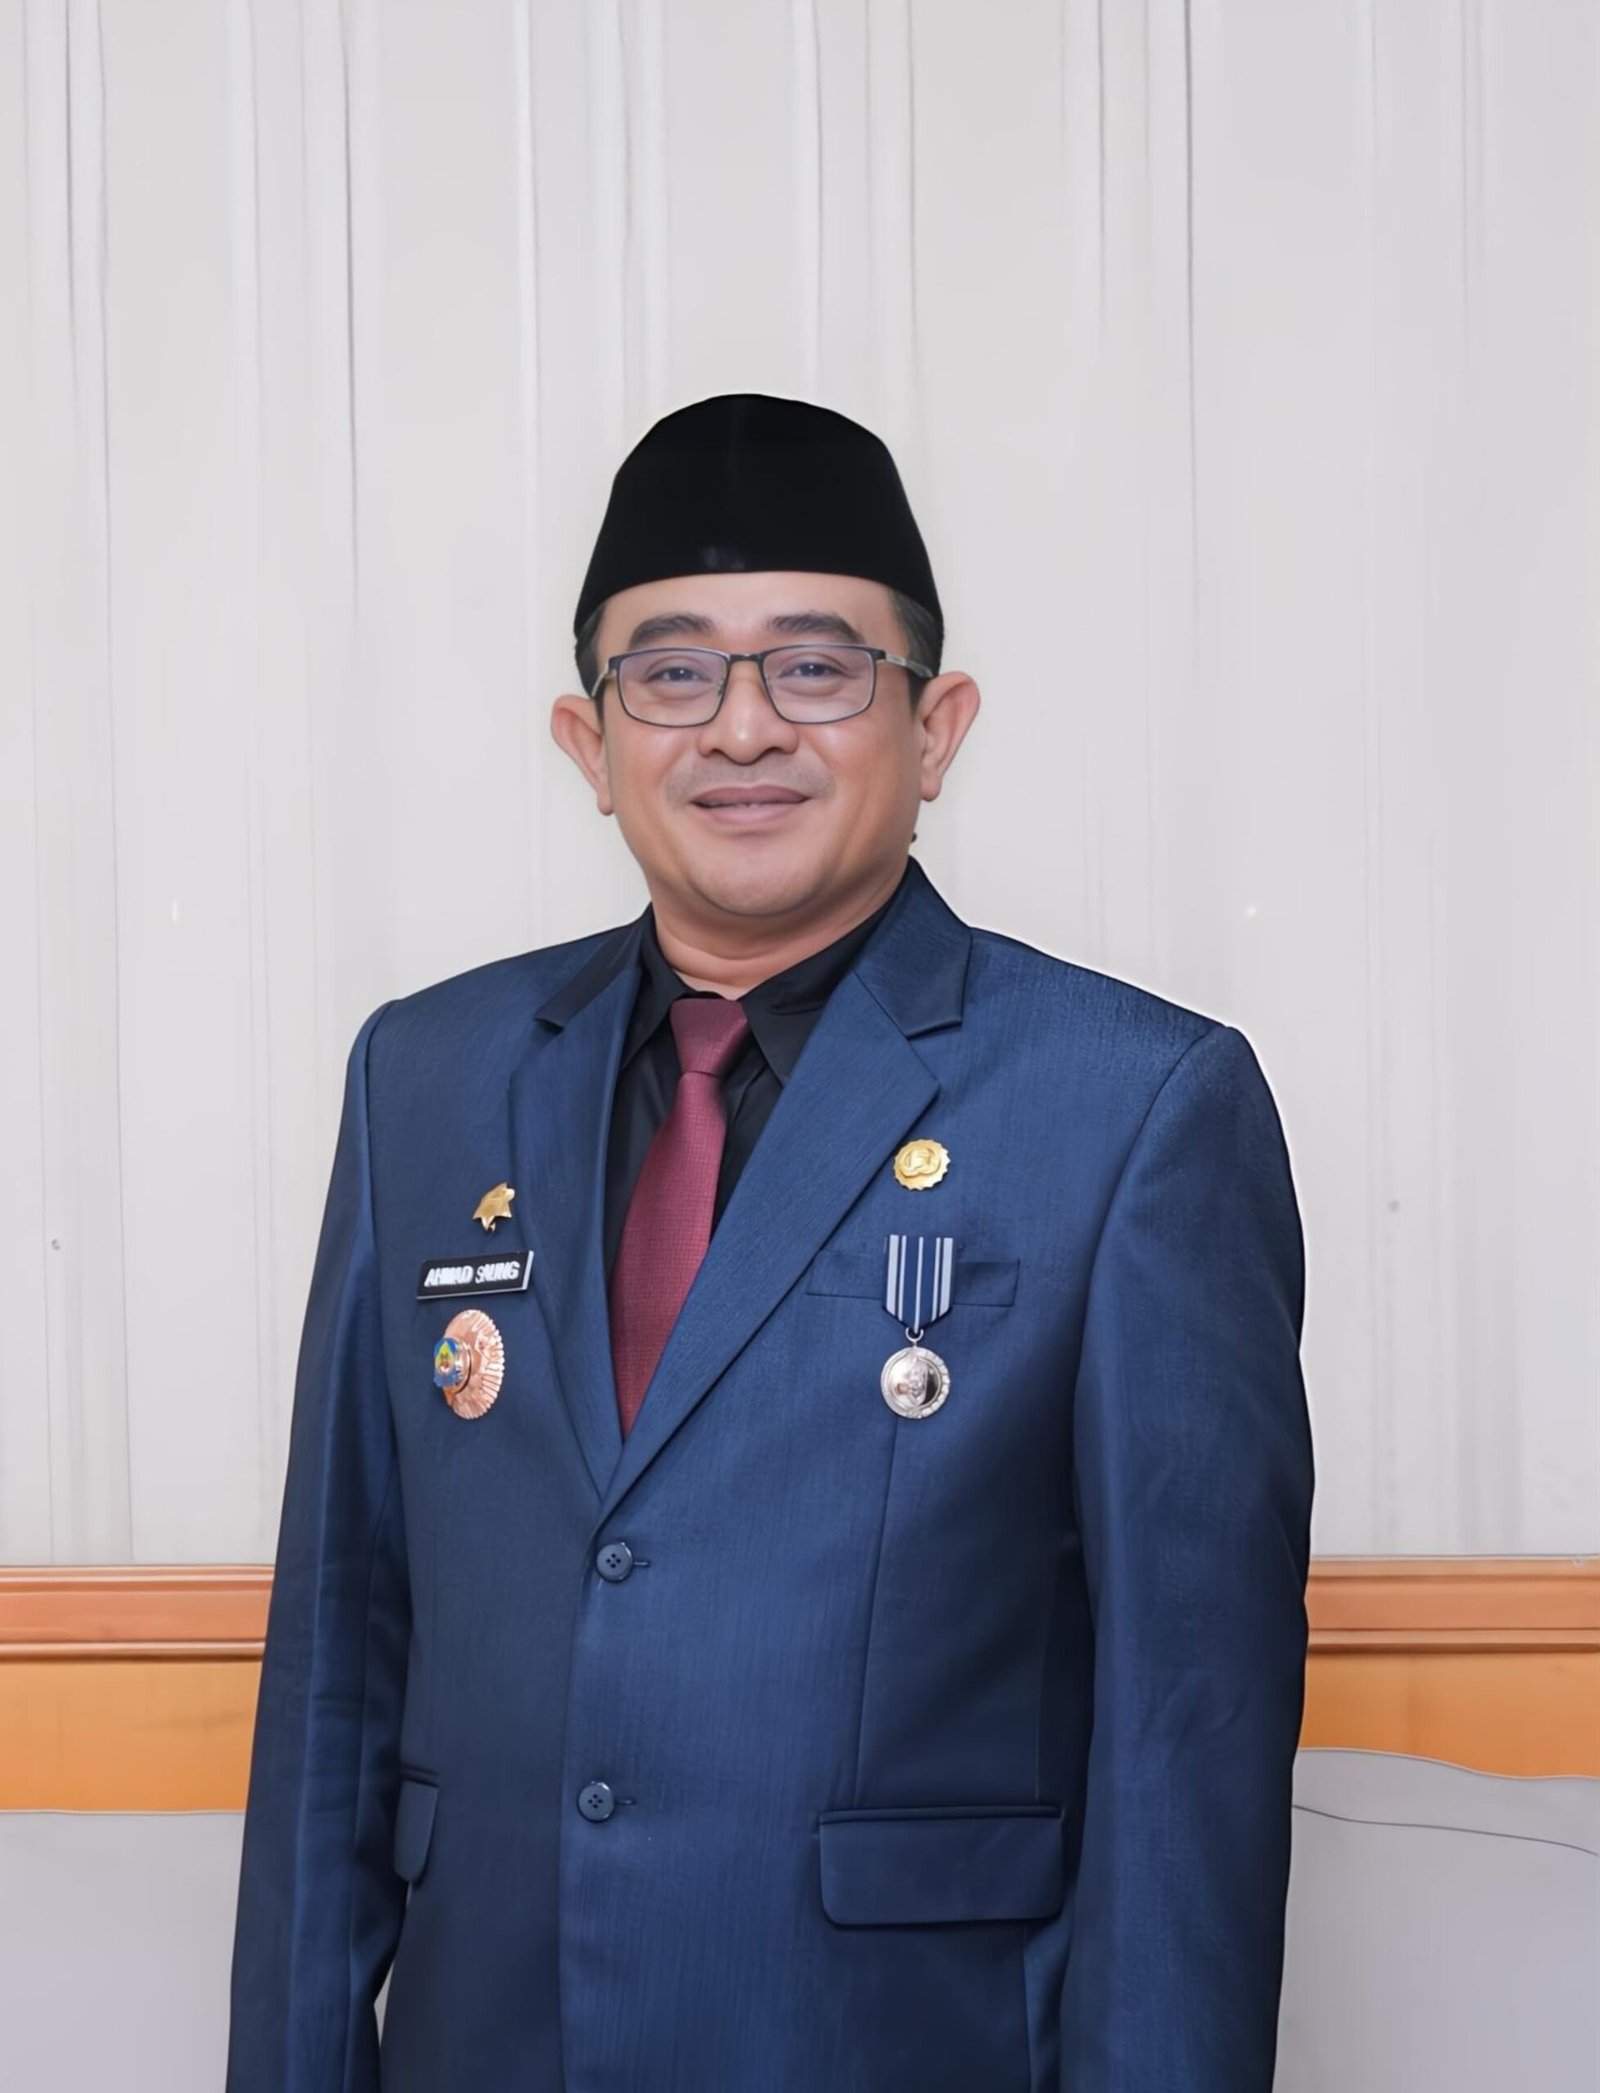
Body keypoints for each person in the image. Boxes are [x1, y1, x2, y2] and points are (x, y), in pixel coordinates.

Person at [227, 393, 1314, 2092]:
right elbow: (334, 1670)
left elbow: (1191, 1739)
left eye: (816, 668)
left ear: (936, 727)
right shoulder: (424, 1079)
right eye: (672, 672)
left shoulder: (1136, 1106)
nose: (742, 727)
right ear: (590, 745)